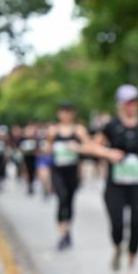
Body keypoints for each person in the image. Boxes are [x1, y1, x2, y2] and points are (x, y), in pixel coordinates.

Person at [92, 84, 138, 274]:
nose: (131, 106)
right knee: (117, 224)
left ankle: (131, 265)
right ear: (120, 105)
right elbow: (94, 146)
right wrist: (108, 153)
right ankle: (117, 247)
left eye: (134, 102)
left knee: (136, 224)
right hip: (116, 185)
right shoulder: (111, 126)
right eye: (127, 103)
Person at [48, 104, 91, 250]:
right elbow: (48, 150)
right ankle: (62, 235)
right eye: (63, 112)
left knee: (70, 201)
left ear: (73, 114)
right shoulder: (53, 131)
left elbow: (89, 147)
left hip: (73, 171)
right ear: (59, 114)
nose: (66, 115)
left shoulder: (79, 130)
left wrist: (77, 148)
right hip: (57, 170)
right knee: (61, 198)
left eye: (68, 113)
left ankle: (67, 230)